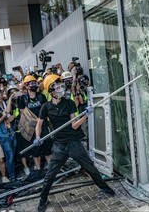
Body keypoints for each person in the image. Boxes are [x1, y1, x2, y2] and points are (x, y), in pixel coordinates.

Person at [34, 74, 115, 212]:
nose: (61, 88)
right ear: (51, 91)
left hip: (73, 143)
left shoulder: (69, 103)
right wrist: (37, 137)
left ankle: (104, 187)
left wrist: (85, 115)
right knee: (50, 175)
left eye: (61, 86)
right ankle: (43, 199)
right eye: (57, 86)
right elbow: (39, 124)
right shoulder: (46, 107)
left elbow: (74, 125)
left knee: (90, 167)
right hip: (59, 145)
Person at [18, 75, 51, 173]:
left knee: (47, 146)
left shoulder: (41, 96)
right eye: (31, 83)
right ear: (26, 86)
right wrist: (35, 120)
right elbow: (23, 114)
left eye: (35, 83)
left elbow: (46, 110)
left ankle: (51, 166)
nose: (34, 85)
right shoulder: (23, 99)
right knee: (36, 149)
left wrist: (41, 119)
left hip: (43, 125)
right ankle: (38, 169)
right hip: (32, 128)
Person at [0, 87, 17, 181]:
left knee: (12, 155)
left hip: (11, 132)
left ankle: (12, 174)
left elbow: (8, 112)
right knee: (9, 156)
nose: (0, 96)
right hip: (3, 135)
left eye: (1, 93)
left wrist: (10, 99)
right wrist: (4, 117)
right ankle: (11, 177)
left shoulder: (4, 103)